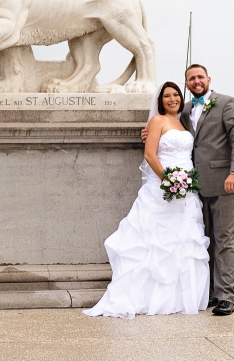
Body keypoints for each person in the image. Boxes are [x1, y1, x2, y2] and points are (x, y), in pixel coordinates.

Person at [84, 81, 210, 319]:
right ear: (160, 101)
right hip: (162, 188)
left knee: (181, 242)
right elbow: (150, 155)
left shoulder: (184, 123)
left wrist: (183, 184)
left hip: (188, 190)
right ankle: (143, 297)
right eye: (166, 96)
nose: (172, 99)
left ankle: (177, 298)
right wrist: (169, 181)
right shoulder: (157, 121)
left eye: (175, 95)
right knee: (152, 243)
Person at [178, 64, 234, 316]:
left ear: (208, 79)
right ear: (186, 84)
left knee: (225, 240)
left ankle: (226, 296)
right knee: (204, 241)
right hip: (197, 187)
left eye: (200, 77)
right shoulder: (186, 110)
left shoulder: (227, 103)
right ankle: (208, 292)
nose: (196, 81)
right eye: (191, 79)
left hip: (225, 183)